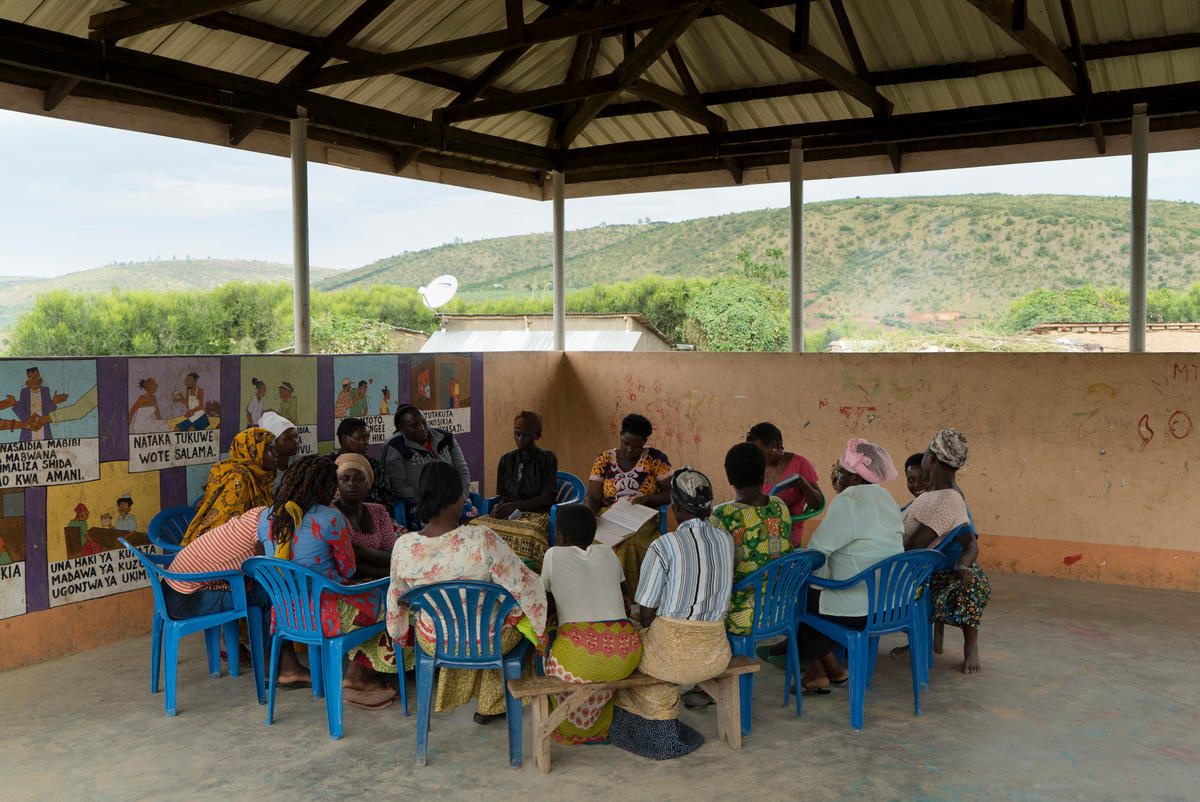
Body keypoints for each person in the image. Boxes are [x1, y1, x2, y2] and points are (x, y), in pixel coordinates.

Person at [387, 462, 547, 725]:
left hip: (435, 639)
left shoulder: (403, 545)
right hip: (488, 641)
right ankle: (492, 703)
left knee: (498, 619)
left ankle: (486, 701)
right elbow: (524, 586)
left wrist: (399, 632)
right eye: (462, 493)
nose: (465, 499)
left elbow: (396, 597)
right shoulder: (482, 538)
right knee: (524, 623)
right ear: (453, 499)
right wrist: (526, 615)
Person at [609, 468, 733, 760]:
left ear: (674, 508)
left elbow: (648, 609)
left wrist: (646, 627)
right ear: (711, 507)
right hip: (715, 655)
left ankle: (650, 733)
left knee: (629, 640)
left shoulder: (663, 546)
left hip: (671, 658)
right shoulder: (726, 540)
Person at [259, 455, 399, 709]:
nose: (333, 491)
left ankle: (355, 675)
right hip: (327, 612)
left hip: (285, 613)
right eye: (330, 484)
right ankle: (358, 676)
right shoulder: (328, 518)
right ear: (320, 486)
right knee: (387, 600)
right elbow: (348, 569)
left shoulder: (267, 517)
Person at [796, 439, 904, 692]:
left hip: (858, 608)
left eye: (842, 471)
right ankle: (829, 666)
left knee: (797, 593)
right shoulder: (887, 498)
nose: (837, 477)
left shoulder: (850, 500)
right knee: (813, 593)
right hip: (889, 604)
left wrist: (808, 576)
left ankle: (817, 672)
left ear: (856, 478)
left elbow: (817, 551)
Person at [163, 502, 310, 686]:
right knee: (270, 596)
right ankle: (270, 669)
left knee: (267, 590)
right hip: (186, 599)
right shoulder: (266, 530)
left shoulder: (259, 513)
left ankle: (284, 665)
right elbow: (262, 571)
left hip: (172, 588)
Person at [540, 504, 640, 745]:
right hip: (626, 653)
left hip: (578, 658)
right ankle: (601, 724)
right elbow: (625, 599)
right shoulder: (608, 553)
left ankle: (567, 726)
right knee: (603, 666)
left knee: (544, 640)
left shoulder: (553, 555)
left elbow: (545, 606)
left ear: (560, 535)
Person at [902, 429, 988, 674]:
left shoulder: (950, 500)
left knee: (972, 585)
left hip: (946, 568)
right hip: (927, 569)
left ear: (933, 459)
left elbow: (970, 543)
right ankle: (917, 641)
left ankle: (970, 645)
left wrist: (963, 564)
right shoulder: (931, 497)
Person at [582, 413, 672, 592]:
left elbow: (672, 492)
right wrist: (590, 514)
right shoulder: (604, 460)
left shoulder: (655, 459)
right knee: (596, 542)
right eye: (626, 443)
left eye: (636, 446)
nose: (629, 450)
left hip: (642, 518)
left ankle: (630, 600)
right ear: (620, 436)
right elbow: (592, 497)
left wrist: (647, 499)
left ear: (644, 442)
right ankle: (597, 595)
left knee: (628, 546)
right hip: (609, 515)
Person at [712, 442, 793, 637]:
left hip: (746, 614)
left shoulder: (723, 514)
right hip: (785, 606)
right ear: (764, 475)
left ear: (729, 478)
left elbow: (718, 569)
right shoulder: (779, 505)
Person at [472, 410, 558, 571]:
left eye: (527, 435)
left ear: (537, 435)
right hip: (511, 512)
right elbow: (504, 496)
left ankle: (528, 575)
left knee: (530, 535)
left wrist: (515, 506)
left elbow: (547, 498)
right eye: (517, 434)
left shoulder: (548, 458)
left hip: (537, 513)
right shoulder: (506, 460)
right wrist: (500, 506)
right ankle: (488, 571)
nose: (520, 439)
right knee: (476, 527)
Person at [180, 428, 277, 546]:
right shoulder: (239, 477)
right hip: (217, 546)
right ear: (253, 452)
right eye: (270, 450)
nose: (276, 454)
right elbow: (227, 530)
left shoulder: (261, 476)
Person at [380, 405, 471, 519]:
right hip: (418, 506)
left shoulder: (445, 437)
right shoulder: (395, 446)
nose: (422, 428)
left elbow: (462, 470)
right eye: (414, 425)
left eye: (424, 423)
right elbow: (398, 487)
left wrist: (461, 497)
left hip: (453, 501)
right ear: (401, 428)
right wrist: (434, 501)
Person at [745, 422, 824, 547]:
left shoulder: (800, 463)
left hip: (786, 530)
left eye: (758, 452)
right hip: (757, 528)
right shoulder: (755, 467)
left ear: (773, 446)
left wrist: (804, 484)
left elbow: (817, 504)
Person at [332, 453, 403, 581]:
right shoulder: (331, 513)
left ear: (368, 483)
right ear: (337, 483)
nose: (351, 483)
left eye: (358, 478)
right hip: (348, 585)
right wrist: (388, 573)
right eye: (345, 478)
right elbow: (345, 565)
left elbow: (392, 555)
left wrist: (362, 552)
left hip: (381, 580)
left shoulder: (378, 511)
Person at [332, 417, 399, 508]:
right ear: (344, 439)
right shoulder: (330, 464)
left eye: (367, 438)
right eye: (361, 438)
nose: (366, 443)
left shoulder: (373, 464)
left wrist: (376, 511)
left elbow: (389, 495)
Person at [258, 411, 300, 492]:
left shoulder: (297, 461)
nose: (296, 442)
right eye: (288, 438)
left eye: (296, 436)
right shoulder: (263, 471)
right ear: (272, 442)